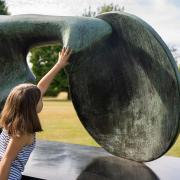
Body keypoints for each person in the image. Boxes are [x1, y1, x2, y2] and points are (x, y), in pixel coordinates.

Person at [0, 47, 72, 180]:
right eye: (40, 99)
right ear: (31, 106)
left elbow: (41, 87)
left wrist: (59, 64)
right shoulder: (22, 131)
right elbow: (6, 160)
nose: (42, 98)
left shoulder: (14, 118)